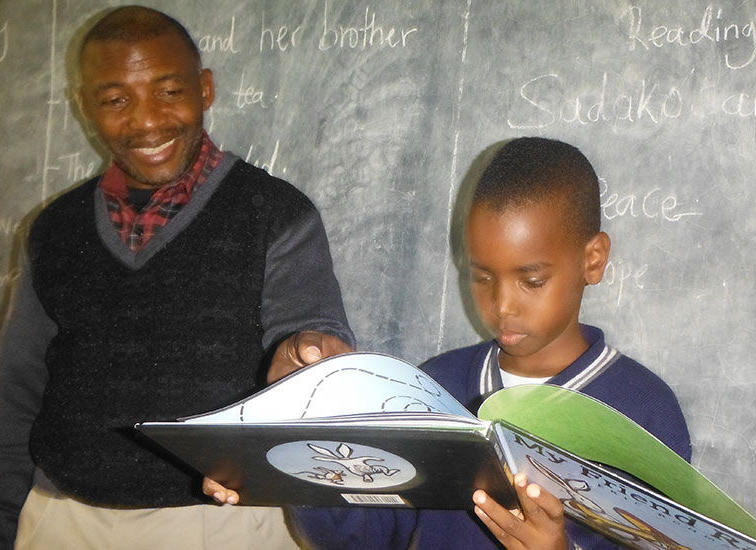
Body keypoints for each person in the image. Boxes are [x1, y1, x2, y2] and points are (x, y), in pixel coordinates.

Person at [0, 6, 354, 549]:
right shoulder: (53, 229)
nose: (146, 121)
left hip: (222, 522)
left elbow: (311, 337)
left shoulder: (275, 213)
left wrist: (309, 355)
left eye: (169, 91)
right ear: (86, 107)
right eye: (116, 99)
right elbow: (16, 393)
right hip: (61, 520)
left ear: (205, 89)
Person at [282, 137, 691, 549]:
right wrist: (308, 438)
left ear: (593, 260)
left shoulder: (645, 411)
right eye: (481, 277)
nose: (502, 305)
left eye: (532, 281)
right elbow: (358, 539)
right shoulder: (431, 389)